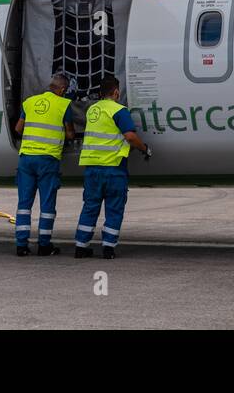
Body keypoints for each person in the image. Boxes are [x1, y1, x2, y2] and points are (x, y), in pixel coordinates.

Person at [74, 75, 150, 259]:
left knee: (90, 206)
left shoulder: (93, 110)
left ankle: (80, 246)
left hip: (92, 168)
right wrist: (145, 149)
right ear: (116, 92)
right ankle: (108, 248)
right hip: (113, 168)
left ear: (100, 93)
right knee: (114, 208)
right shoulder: (119, 110)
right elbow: (130, 137)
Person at [13, 73, 76, 256]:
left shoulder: (30, 102)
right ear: (63, 90)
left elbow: (18, 129)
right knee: (47, 205)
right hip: (48, 159)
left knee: (24, 203)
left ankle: (21, 245)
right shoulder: (64, 104)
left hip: (26, 158)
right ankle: (44, 245)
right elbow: (70, 134)